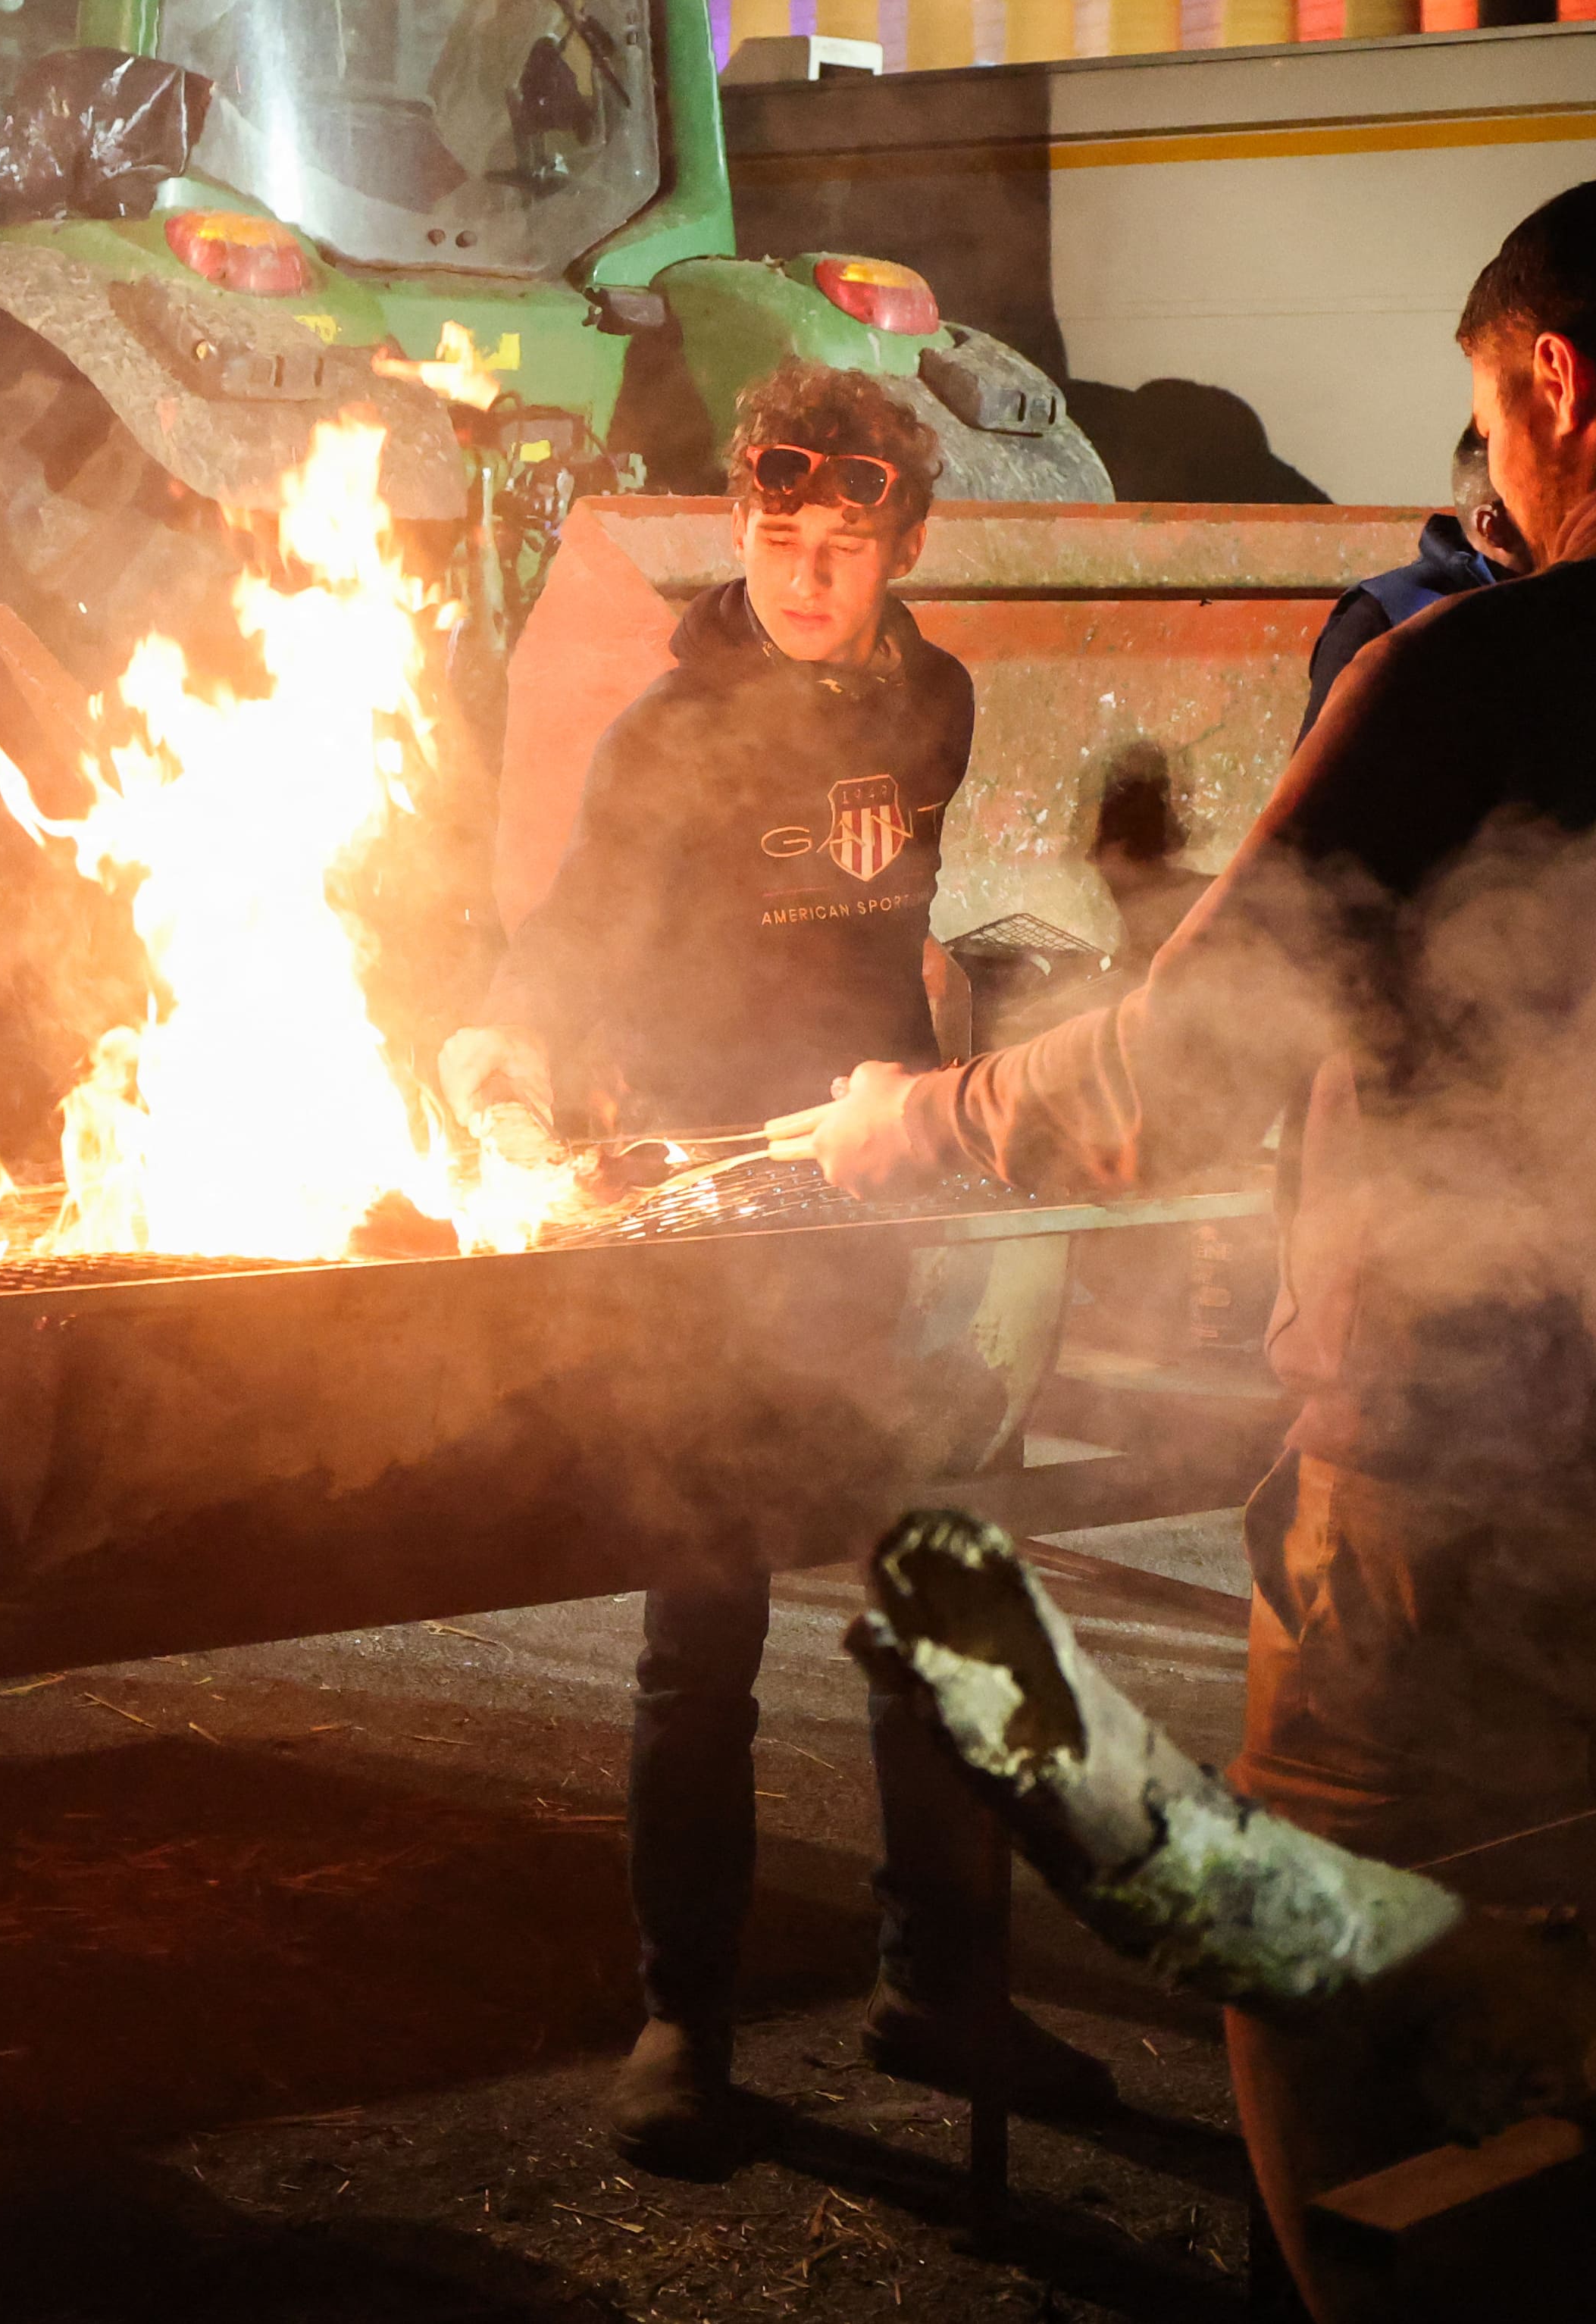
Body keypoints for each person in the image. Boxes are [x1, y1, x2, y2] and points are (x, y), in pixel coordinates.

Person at [793, 175, 1596, 2279]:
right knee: (1590, 1973)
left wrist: (926, 1115)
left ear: (1551, 375)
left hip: (1453, 1479)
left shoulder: (1499, 659)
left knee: (1312, 1962)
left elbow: (1183, 1056)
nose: (1497, 480)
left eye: (1491, 411)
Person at [437, 361, 1113, 2174]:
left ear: (902, 543)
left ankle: (940, 1989)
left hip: (879, 1197)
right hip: (710, 1212)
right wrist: (508, 1038)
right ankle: (686, 2014)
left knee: (936, 1595)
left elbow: (898, 943)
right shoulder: (670, 733)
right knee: (702, 1620)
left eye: (842, 539)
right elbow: (582, 928)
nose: (804, 570)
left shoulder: (938, 701)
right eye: (776, 532)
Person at [1303, 424, 1526, 721]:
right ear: (1491, 526)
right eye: (1551, 496)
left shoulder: (1566, 606)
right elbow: (1323, 764)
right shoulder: (1381, 619)